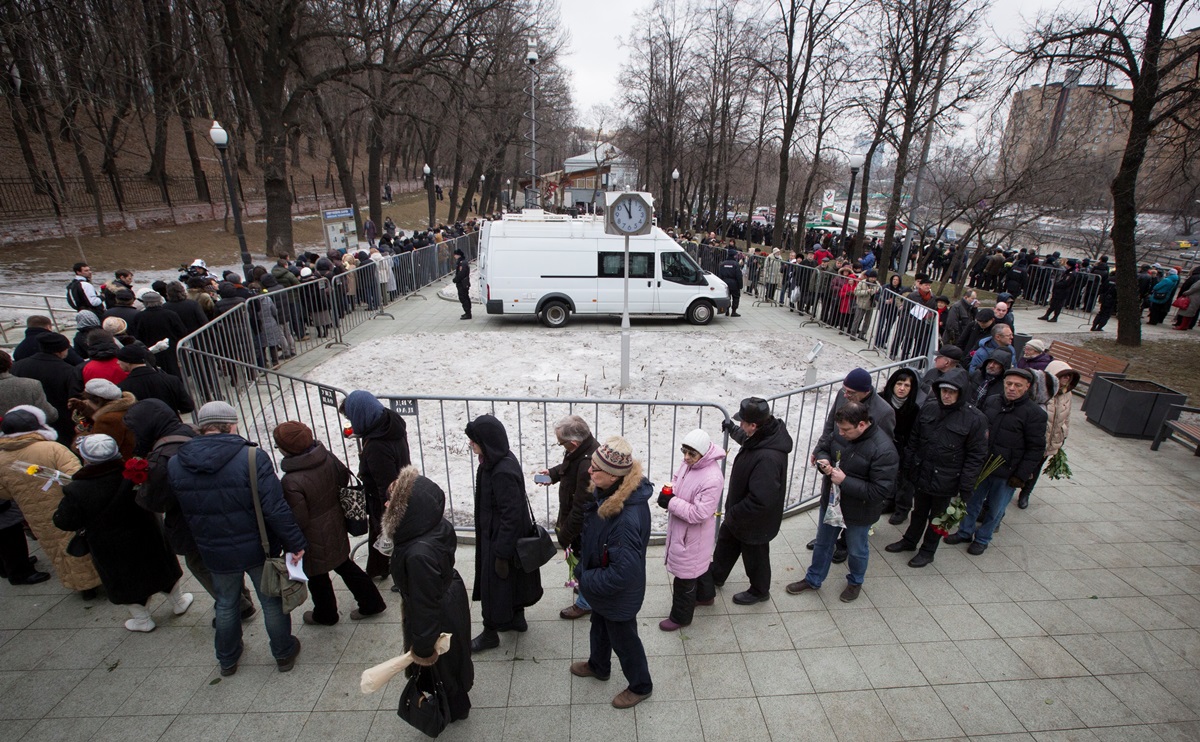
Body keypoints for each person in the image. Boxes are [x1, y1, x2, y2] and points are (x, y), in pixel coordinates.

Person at [168, 401, 307, 676]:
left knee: (226, 602)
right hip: (257, 546)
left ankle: (228, 658)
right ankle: (283, 653)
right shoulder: (252, 457)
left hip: (213, 549)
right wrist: (294, 542)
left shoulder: (176, 463)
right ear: (231, 425)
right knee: (271, 600)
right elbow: (275, 508)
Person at [124, 399, 256, 624]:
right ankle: (240, 597)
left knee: (201, 565)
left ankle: (236, 605)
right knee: (226, 562)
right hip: (223, 512)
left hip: (191, 524)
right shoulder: (193, 431)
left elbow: (158, 502)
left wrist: (142, 486)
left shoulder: (162, 456)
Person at [54, 434, 193, 632]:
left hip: (110, 545)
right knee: (162, 568)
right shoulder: (133, 473)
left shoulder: (76, 489)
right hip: (147, 533)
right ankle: (178, 602)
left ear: (86, 458)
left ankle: (142, 619)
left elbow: (65, 520)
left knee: (126, 581)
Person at [379, 466, 473, 723]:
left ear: (406, 509)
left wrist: (421, 649)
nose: (386, 503)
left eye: (392, 501)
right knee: (453, 659)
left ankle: (455, 708)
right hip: (449, 596)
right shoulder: (430, 523)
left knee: (442, 665)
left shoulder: (418, 554)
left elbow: (425, 607)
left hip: (439, 610)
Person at [569, 435, 654, 710]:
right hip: (603, 588)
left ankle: (641, 686)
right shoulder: (610, 495)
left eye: (596, 469)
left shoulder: (626, 519)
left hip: (618, 593)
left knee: (625, 640)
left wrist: (586, 577)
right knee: (599, 627)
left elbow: (623, 573)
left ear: (615, 476)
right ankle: (598, 665)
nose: (589, 472)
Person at [273, 421, 386, 625]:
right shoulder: (325, 457)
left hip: (312, 536)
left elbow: (299, 518)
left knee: (317, 576)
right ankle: (372, 602)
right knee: (344, 565)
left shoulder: (291, 481)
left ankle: (326, 615)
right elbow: (342, 477)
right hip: (335, 523)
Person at [787, 402, 898, 602]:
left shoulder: (884, 450)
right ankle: (813, 579)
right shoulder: (841, 432)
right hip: (832, 503)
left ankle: (855, 582)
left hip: (859, 511)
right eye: (839, 428)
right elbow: (823, 447)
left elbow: (880, 490)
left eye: (846, 430)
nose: (841, 433)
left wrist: (845, 481)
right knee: (823, 543)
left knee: (856, 549)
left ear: (862, 425)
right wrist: (824, 461)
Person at [885, 369, 988, 567]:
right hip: (923, 472)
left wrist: (966, 486)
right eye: (943, 391)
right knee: (919, 511)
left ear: (961, 393)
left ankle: (928, 550)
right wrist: (908, 467)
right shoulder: (929, 408)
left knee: (938, 517)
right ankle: (910, 540)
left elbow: (976, 456)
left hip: (947, 479)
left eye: (952, 392)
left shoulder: (975, 418)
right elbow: (914, 439)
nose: (947, 395)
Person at [701, 397, 794, 605]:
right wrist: (733, 430)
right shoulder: (763, 435)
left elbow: (761, 499)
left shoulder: (768, 458)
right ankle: (716, 575)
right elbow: (748, 439)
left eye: (743, 422)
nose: (741, 425)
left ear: (754, 425)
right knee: (726, 541)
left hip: (755, 519)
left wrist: (734, 512)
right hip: (741, 512)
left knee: (755, 556)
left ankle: (760, 590)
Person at [945, 368, 1048, 554]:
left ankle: (983, 538)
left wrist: (1021, 475)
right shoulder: (992, 401)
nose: (1012, 389)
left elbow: (1036, 448)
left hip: (1007, 471)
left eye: (1017, 385)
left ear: (1027, 387)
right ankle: (965, 531)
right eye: (1008, 384)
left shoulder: (1035, 414)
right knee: (972, 501)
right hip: (983, 464)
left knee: (995, 508)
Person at [0, 406, 100, 594]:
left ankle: (78, 585)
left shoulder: (1, 459)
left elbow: (3, 493)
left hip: (33, 513)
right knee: (74, 540)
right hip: (65, 505)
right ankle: (91, 582)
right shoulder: (52, 448)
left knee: (53, 546)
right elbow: (75, 476)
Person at [465, 414, 543, 651]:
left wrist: (501, 553)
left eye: (474, 440)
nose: (470, 444)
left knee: (494, 587)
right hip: (502, 537)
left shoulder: (501, 471)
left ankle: (490, 633)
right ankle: (516, 619)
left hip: (501, 541)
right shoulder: (494, 461)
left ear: (487, 442)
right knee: (513, 581)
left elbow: (511, 515)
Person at [658, 429, 724, 630]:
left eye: (691, 454)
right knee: (699, 565)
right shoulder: (691, 463)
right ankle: (705, 597)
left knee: (685, 577)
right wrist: (670, 491)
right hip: (686, 532)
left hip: (691, 535)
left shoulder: (712, 478)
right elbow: (678, 478)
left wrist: (671, 502)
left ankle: (680, 617)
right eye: (684, 452)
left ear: (703, 454)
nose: (685, 457)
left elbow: (700, 514)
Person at [342, 390, 411, 580]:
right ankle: (378, 569)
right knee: (384, 536)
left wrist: (386, 516)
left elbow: (385, 486)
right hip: (401, 487)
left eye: (351, 416)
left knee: (387, 536)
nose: (351, 422)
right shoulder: (389, 423)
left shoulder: (376, 446)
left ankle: (398, 575)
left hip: (385, 499)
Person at [538, 415, 600, 621]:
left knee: (582, 562)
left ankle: (586, 602)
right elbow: (569, 466)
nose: (561, 446)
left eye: (561, 442)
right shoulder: (584, 448)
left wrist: (565, 535)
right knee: (580, 561)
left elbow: (581, 508)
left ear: (574, 442)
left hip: (581, 527)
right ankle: (584, 589)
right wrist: (554, 473)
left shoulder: (587, 466)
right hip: (575, 521)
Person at [1017, 361, 1080, 509]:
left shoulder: (1067, 395)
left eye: (1069, 377)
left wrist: (1063, 435)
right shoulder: (1041, 392)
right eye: (1063, 376)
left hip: (1051, 440)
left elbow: (1067, 417)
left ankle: (1026, 493)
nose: (1065, 380)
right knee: (1024, 467)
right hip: (1036, 438)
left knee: (1037, 468)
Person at [11, 333, 82, 445]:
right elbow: (74, 398)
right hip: (62, 424)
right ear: (60, 351)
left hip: (25, 423)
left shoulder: (17, 366)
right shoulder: (69, 371)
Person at [879, 368, 924, 526]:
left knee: (905, 479)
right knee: (888, 476)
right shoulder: (881, 400)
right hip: (884, 445)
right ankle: (889, 501)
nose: (902, 388)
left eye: (907, 385)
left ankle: (902, 508)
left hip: (904, 447)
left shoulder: (914, 408)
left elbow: (915, 432)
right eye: (899, 383)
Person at [68, 378, 136, 459]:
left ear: (98, 401)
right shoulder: (123, 409)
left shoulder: (107, 420)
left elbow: (96, 451)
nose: (86, 402)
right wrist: (85, 410)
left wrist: (82, 434)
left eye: (88, 400)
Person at [117, 345, 194, 415]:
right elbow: (188, 406)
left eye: (119, 360)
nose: (117, 362)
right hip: (173, 425)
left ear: (127, 362)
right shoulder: (171, 379)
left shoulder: (123, 388)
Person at [131, 290, 187, 376]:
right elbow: (182, 331)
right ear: (160, 301)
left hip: (150, 349)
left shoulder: (139, 316)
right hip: (171, 348)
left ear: (145, 303)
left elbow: (138, 335)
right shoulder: (171, 314)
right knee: (174, 372)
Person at [0, 351, 57, 424]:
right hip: (28, 432)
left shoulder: (31, 384)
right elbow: (50, 415)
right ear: (10, 364)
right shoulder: (31, 384)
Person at [718, 248, 743, 316]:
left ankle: (727, 310)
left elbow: (720, 275)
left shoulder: (723, 264)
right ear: (733, 256)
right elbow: (738, 275)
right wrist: (740, 285)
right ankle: (734, 311)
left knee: (727, 297)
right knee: (736, 297)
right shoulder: (736, 264)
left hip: (725, 282)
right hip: (734, 283)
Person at [452, 247, 471, 319]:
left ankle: (468, 313)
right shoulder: (462, 262)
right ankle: (467, 312)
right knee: (465, 297)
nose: (454, 256)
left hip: (463, 283)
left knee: (463, 297)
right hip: (464, 283)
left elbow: (461, 273)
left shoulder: (462, 263)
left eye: (455, 255)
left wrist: (455, 279)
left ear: (458, 255)